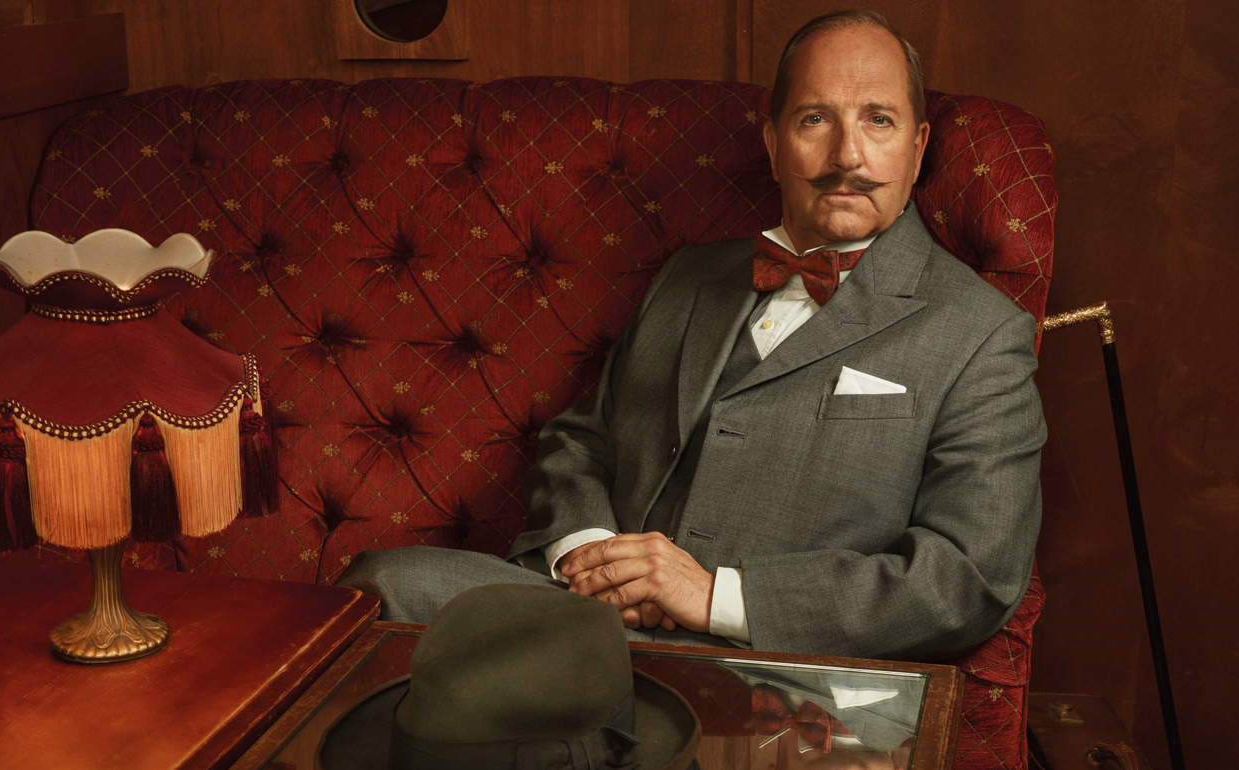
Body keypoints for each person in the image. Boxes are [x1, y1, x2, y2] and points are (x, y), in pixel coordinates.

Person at [338, 8, 1045, 662]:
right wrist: (593, 557)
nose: (847, 155)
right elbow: (581, 441)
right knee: (379, 588)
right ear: (774, 144)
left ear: (917, 150)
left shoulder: (981, 333)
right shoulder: (690, 276)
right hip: (592, 626)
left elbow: (968, 578)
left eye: (879, 121)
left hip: (778, 669)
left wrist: (713, 597)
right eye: (814, 119)